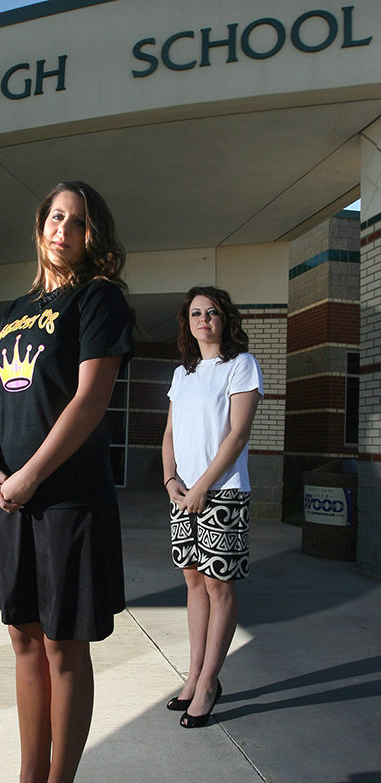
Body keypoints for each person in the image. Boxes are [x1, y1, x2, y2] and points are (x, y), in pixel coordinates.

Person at [0, 181, 134, 783]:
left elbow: (93, 397)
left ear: (94, 234)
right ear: (41, 226)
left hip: (67, 498)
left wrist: (32, 474)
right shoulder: (17, 311)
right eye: (56, 216)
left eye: (79, 220)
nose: (64, 228)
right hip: (12, 497)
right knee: (23, 638)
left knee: (65, 646)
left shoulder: (97, 298)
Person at [162, 286, 263, 728]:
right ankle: (194, 675)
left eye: (212, 312)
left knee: (218, 585)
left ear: (225, 318)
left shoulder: (240, 366)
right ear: (187, 321)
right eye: (196, 313)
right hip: (184, 494)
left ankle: (208, 683)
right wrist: (170, 479)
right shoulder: (182, 373)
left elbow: (237, 435)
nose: (204, 319)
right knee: (193, 581)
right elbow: (168, 435)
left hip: (223, 492)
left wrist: (203, 486)